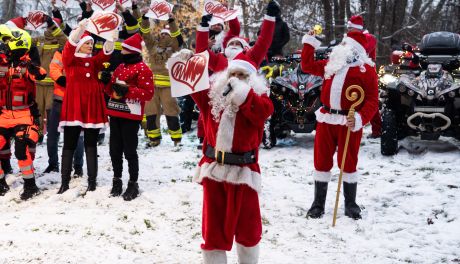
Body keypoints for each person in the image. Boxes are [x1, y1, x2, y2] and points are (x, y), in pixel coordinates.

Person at [179, 1, 277, 263]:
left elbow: (263, 112)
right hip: (214, 172)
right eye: (231, 74)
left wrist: (244, 96)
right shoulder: (214, 96)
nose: (234, 78)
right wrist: (183, 65)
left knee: (248, 231)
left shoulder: (258, 98)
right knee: (213, 234)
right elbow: (195, 82)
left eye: (241, 75)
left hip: (244, 173)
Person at [301, 28, 378, 220]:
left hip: (349, 122)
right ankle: (318, 204)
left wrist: (360, 118)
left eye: (345, 44)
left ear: (355, 49)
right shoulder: (331, 65)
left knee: (349, 162)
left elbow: (372, 101)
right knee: (321, 161)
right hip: (326, 119)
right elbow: (307, 65)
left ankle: (350, 204)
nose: (341, 47)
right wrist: (309, 41)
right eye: (342, 44)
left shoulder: (366, 71)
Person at [57, 19, 115, 194]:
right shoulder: (71, 60)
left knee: (91, 145)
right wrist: (80, 29)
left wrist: (111, 36)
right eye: (87, 43)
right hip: (74, 107)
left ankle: (92, 182)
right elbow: (69, 46)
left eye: (91, 43)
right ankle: (64, 182)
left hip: (92, 108)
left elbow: (106, 53)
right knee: (69, 144)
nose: (91, 46)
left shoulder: (94, 61)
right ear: (80, 45)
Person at [102, 33, 154, 201]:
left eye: (124, 49)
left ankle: (133, 183)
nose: (121, 52)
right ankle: (117, 180)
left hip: (131, 116)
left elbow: (148, 94)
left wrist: (128, 91)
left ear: (131, 51)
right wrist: (106, 83)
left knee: (130, 150)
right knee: (114, 150)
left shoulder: (143, 69)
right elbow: (111, 92)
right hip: (115, 112)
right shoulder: (120, 67)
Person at [0, 28, 45, 200]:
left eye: (7, 42)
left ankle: (30, 185)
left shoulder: (27, 66)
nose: (4, 45)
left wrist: (30, 64)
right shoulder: (2, 62)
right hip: (3, 116)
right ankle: (1, 183)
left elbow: (41, 75)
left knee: (21, 148)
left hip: (24, 115)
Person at [140, 12, 183, 147]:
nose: (163, 35)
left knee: (171, 111)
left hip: (168, 87)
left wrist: (171, 21)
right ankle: (154, 139)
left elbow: (178, 38)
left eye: (166, 34)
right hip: (152, 86)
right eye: (162, 34)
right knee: (151, 113)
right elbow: (145, 34)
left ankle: (176, 139)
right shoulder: (153, 46)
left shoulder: (175, 48)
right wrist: (145, 18)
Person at [47, 49, 85, 177]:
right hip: (59, 101)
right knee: (52, 134)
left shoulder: (85, 54)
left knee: (77, 135)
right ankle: (53, 164)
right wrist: (61, 78)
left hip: (75, 102)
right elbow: (53, 68)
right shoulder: (60, 53)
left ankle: (78, 166)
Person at [347, 15, 381, 139]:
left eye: (351, 28)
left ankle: (377, 129)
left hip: (367, 73)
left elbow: (362, 49)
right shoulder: (349, 39)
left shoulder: (369, 38)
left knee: (370, 101)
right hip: (353, 73)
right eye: (348, 28)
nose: (349, 31)